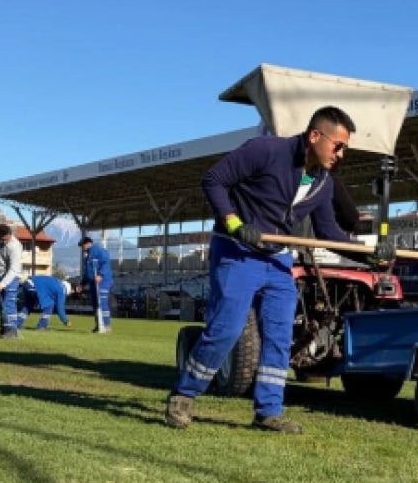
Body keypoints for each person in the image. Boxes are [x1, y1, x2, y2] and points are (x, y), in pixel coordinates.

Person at [165, 106, 394, 432]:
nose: (341, 154)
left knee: (279, 336)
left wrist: (369, 256)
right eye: (338, 146)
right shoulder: (265, 150)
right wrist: (234, 223)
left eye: (345, 148)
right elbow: (214, 180)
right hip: (237, 252)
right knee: (226, 331)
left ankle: (268, 412)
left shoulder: (323, 184)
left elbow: (328, 234)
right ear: (315, 135)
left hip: (278, 261)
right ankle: (183, 396)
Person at [0, 224, 24, 340]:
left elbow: (14, 269)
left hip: (12, 277)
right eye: (1, 239)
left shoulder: (16, 246)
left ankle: (12, 330)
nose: (4, 242)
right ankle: (3, 329)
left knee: (8, 302)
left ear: (10, 234)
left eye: (6, 239)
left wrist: (2, 284)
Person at [76, 236, 113, 333]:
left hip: (103, 281)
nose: (82, 249)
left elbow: (106, 263)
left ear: (87, 243)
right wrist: (82, 284)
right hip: (93, 282)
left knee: (102, 302)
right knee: (95, 304)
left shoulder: (99, 251)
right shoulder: (87, 257)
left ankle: (106, 326)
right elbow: (87, 273)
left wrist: (100, 274)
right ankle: (99, 325)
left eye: (82, 246)